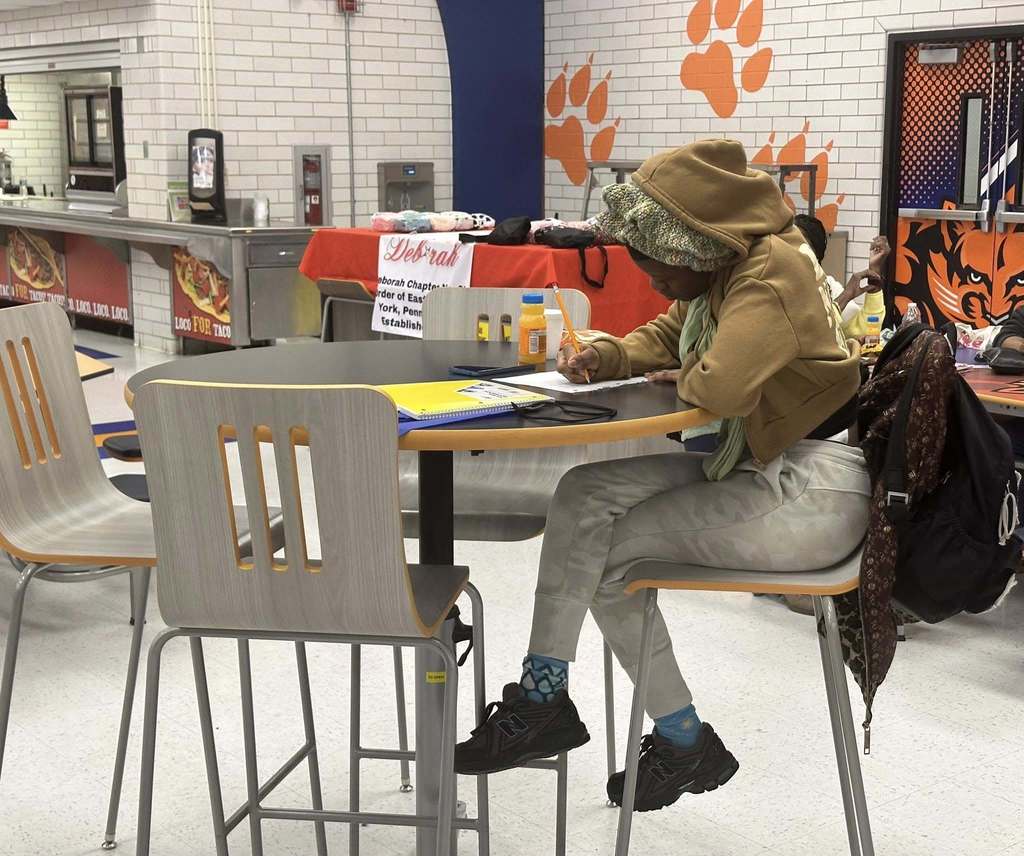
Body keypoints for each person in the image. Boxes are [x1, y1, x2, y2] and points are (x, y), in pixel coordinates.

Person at [453, 140, 870, 813]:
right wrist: (607, 354)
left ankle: (678, 739)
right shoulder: (725, 272)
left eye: (657, 267)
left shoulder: (770, 272)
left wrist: (694, 370)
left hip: (812, 487)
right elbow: (672, 335)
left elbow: (724, 387)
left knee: (610, 560)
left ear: (693, 246)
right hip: (759, 460)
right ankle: (546, 699)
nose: (651, 281)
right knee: (582, 493)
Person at [794, 214, 891, 331]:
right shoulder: (772, 286)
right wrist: (846, 296)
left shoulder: (828, 286)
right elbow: (808, 334)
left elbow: (864, 331)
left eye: (796, 246)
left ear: (815, 256)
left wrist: (874, 273)